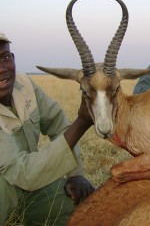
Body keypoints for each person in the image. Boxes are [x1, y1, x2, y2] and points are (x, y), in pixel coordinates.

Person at [0, 32, 95, 226]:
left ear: (14, 58)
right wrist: (82, 123)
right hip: (5, 202)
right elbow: (23, 172)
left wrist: (75, 174)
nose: (2, 69)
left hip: (29, 194)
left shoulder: (24, 84)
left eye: (5, 57)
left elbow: (59, 124)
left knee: (89, 203)